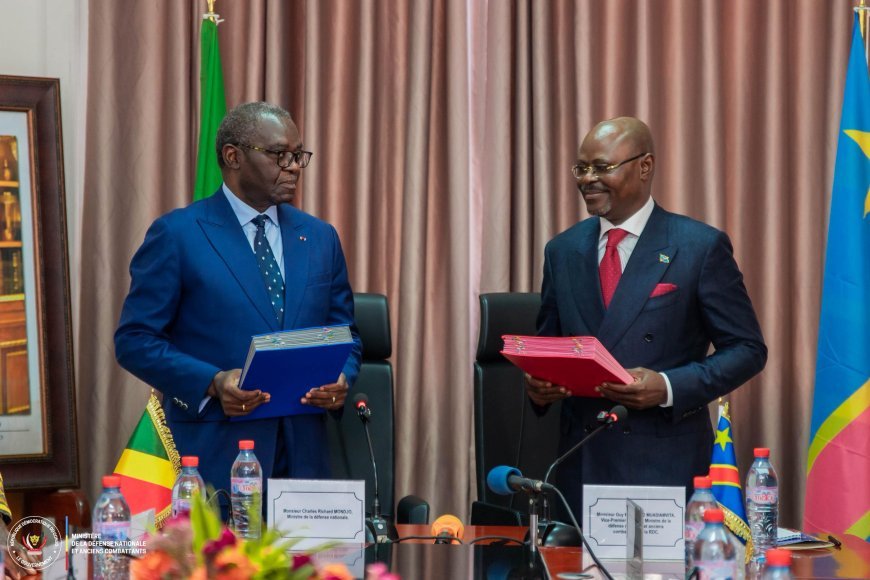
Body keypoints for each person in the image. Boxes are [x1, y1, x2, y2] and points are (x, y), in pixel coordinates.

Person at [115, 102, 362, 504]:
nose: (294, 167)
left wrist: (342, 378)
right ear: (233, 156)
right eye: (279, 155)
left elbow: (346, 334)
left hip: (304, 460)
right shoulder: (178, 235)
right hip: (216, 457)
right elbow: (135, 341)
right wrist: (211, 382)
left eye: (298, 155)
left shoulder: (319, 237)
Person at [526, 117, 766, 519]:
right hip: (580, 469)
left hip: (663, 466)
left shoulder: (698, 247)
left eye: (602, 167)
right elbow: (551, 346)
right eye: (581, 168)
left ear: (644, 166)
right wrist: (539, 387)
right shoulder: (562, 250)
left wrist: (668, 386)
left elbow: (747, 349)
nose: (587, 179)